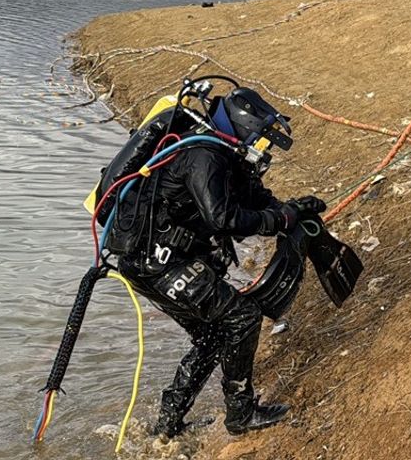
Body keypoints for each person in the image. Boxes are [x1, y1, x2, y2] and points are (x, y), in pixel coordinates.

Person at [107, 87, 328, 435]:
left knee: (213, 334)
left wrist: (292, 210)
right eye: (261, 139)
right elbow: (223, 218)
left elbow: (254, 199)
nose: (262, 148)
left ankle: (166, 428)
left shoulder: (224, 153)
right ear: (243, 126)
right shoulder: (204, 156)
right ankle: (240, 413)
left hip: (156, 260)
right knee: (243, 317)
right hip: (157, 262)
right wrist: (277, 220)